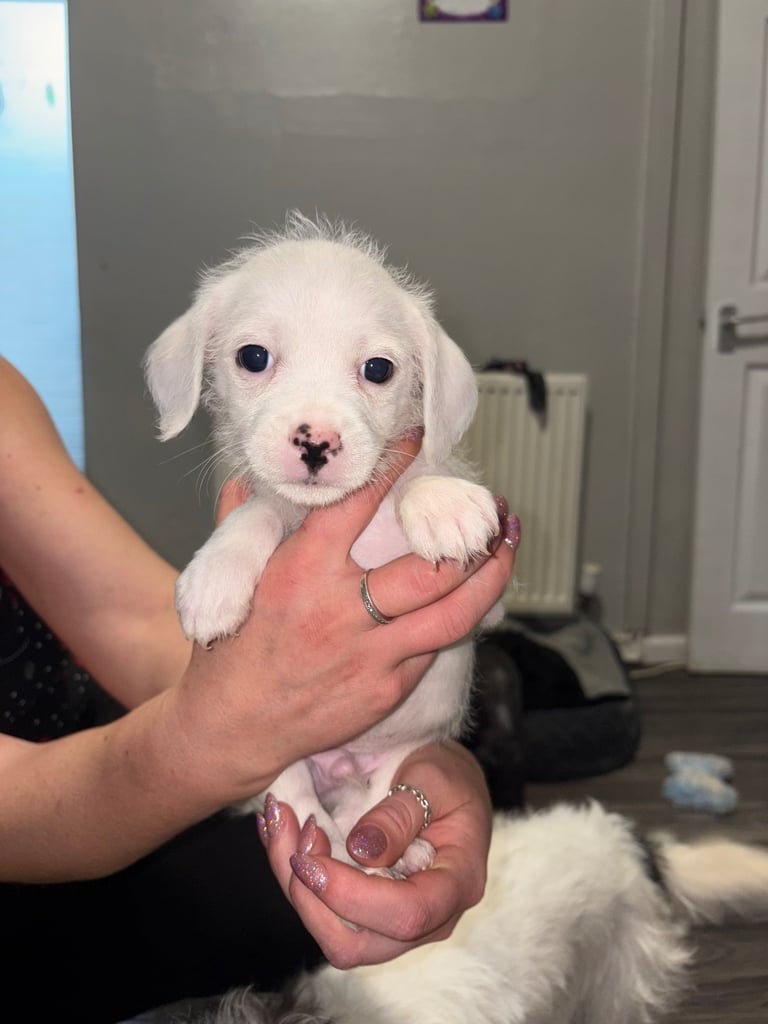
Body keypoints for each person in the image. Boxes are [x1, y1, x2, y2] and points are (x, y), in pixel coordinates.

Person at [0, 355, 517, 1020]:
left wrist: (393, 728)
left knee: (358, 884)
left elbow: (129, 618)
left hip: (90, 743)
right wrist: (207, 738)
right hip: (42, 853)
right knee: (306, 916)